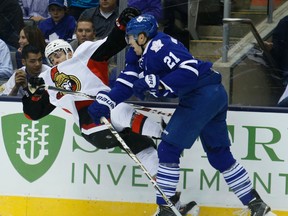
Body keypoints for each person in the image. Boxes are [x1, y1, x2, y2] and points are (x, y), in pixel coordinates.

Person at [87, 14, 274, 216]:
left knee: (168, 148)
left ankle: (166, 209)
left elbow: (190, 69)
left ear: (142, 37)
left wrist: (158, 84)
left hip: (202, 95)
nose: (128, 42)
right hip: (212, 94)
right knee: (219, 155)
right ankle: (257, 205)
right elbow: (128, 80)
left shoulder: (161, 46)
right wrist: (108, 101)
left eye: (130, 37)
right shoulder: (138, 53)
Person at [22, 9, 197, 215]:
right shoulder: (49, 80)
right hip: (92, 126)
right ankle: (166, 133)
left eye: (58, 54)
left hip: (110, 122)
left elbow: (111, 44)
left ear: (70, 51)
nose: (55, 60)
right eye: (51, 58)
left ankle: (169, 206)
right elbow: (33, 114)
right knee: (117, 107)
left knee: (148, 150)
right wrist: (32, 94)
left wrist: (121, 25)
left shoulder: (83, 57)